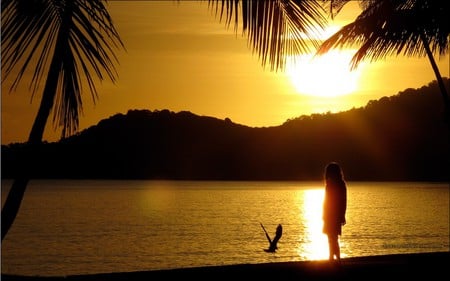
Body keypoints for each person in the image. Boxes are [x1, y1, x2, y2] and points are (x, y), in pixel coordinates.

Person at [322, 162, 347, 263]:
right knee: (332, 236)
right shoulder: (338, 184)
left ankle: (335, 258)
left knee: (332, 237)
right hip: (331, 214)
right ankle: (333, 257)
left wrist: (342, 215)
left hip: (332, 214)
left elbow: (341, 201)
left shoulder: (336, 184)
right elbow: (327, 200)